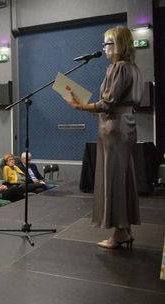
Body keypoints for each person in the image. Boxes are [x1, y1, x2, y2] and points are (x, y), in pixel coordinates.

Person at [63, 26, 142, 249]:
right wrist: (86, 105)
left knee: (114, 179)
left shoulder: (117, 68)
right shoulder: (133, 68)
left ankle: (119, 232)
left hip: (114, 128)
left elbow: (107, 104)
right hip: (125, 126)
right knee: (122, 177)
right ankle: (124, 229)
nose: (104, 48)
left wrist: (79, 106)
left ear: (118, 44)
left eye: (107, 43)